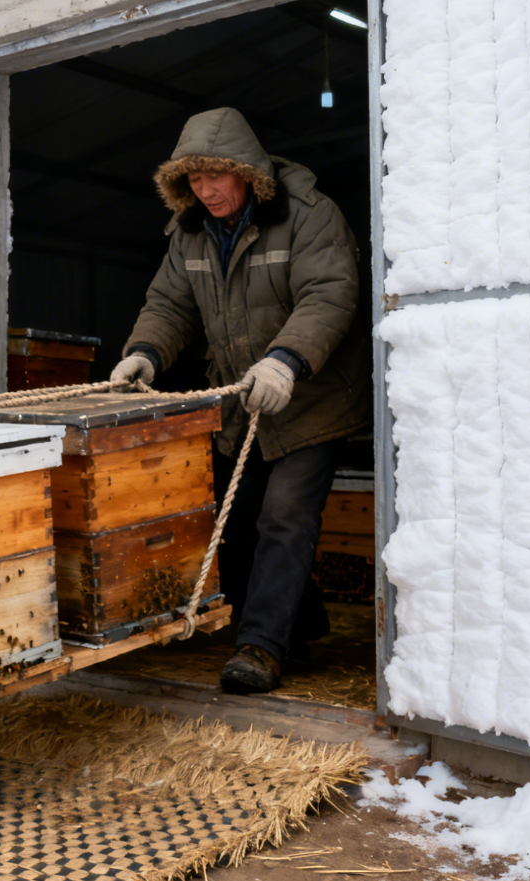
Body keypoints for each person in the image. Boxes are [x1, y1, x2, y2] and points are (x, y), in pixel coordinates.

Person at [110, 107, 370, 695]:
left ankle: (261, 646)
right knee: (231, 517)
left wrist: (286, 361)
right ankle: (298, 622)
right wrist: (145, 352)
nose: (205, 191)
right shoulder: (190, 232)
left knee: (284, 514)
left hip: (311, 397)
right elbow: (169, 304)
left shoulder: (309, 216)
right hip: (244, 403)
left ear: (248, 174)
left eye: (216, 178)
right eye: (193, 182)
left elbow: (329, 295)